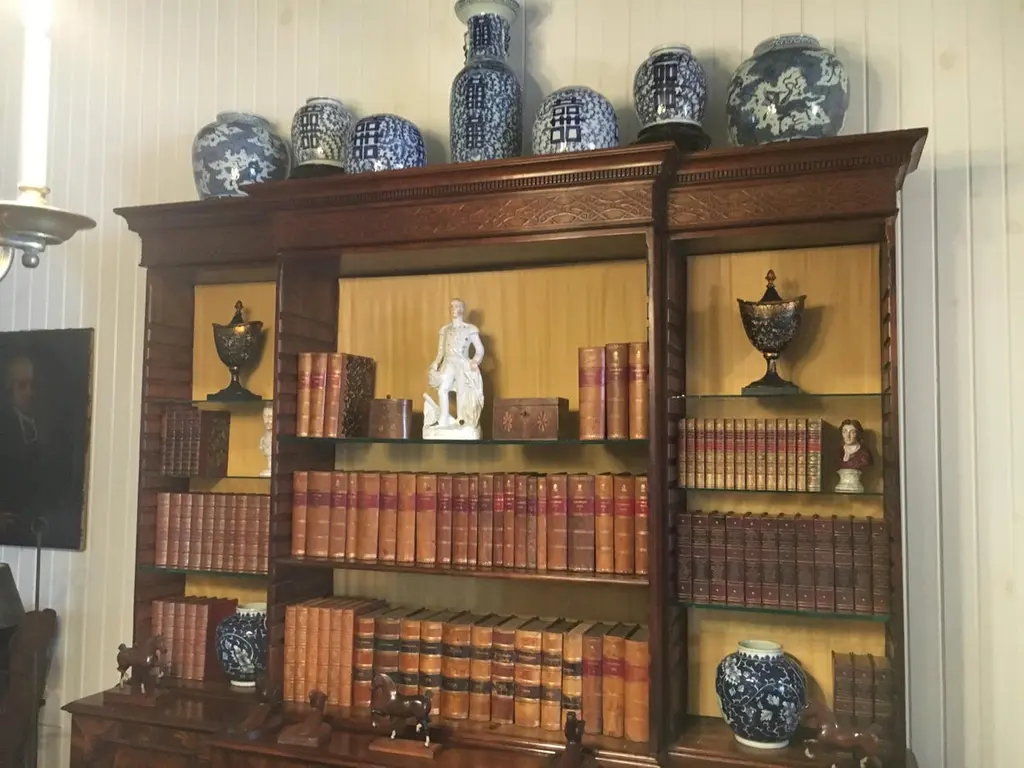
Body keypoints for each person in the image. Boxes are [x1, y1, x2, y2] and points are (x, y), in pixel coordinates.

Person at [424, 298, 485, 433]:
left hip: (462, 364)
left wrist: (475, 361)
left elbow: (480, 350)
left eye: (456, 306)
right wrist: (435, 364)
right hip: (448, 363)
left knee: (461, 392)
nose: (453, 309)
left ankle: (461, 420)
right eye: (451, 306)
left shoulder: (470, 329)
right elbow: (440, 352)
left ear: (462, 310)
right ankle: (443, 419)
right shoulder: (444, 330)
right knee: (442, 389)